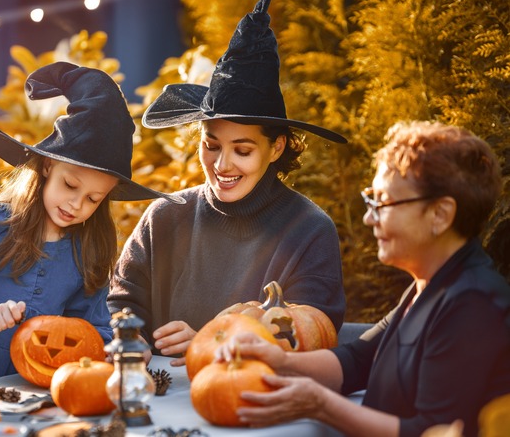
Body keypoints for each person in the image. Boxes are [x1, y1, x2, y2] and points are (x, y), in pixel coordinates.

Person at [216, 121, 510, 437]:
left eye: (382, 202)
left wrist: (320, 406)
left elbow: (429, 432)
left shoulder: (472, 306)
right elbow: (357, 362)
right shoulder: (429, 286)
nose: (369, 217)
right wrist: (279, 360)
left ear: (440, 215)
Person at [107, 0, 346, 365]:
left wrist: (209, 343)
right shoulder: (164, 218)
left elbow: (307, 337)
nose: (222, 164)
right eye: (211, 145)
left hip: (254, 399)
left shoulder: (309, 230)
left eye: (243, 150)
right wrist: (131, 338)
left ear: (276, 147)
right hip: (156, 396)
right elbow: (119, 306)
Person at [0, 62, 183, 385]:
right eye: (71, 186)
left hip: (39, 379)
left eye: (93, 199)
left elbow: (90, 326)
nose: (76, 205)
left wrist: (122, 344)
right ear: (47, 167)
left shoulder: (88, 247)